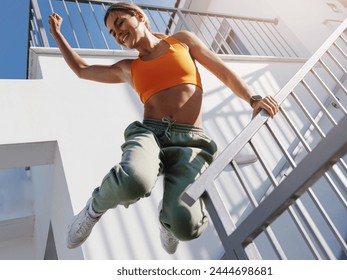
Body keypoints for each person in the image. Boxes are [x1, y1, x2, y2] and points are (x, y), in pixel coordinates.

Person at [48, 2, 278, 255]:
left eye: (120, 23)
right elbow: (82, 70)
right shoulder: (129, 68)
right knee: (133, 181)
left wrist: (253, 99)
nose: (117, 34)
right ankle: (93, 209)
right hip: (150, 134)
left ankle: (167, 220)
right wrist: (58, 35)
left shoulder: (181, 42)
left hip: (190, 141)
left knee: (185, 226)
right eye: (112, 33)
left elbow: (223, 72)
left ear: (139, 16)